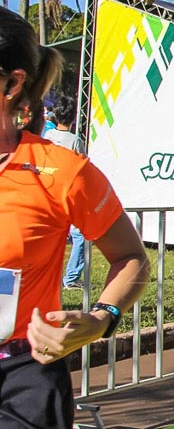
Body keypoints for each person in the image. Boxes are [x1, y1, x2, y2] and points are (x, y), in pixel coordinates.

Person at [0, 8, 150, 429]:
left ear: (11, 84)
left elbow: (131, 258)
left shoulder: (63, 172)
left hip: (19, 377)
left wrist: (101, 317)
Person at [42, 96, 88, 289]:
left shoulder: (46, 138)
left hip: (46, 193)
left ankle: (45, 279)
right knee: (80, 237)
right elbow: (83, 167)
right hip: (67, 194)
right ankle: (71, 278)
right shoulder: (74, 141)